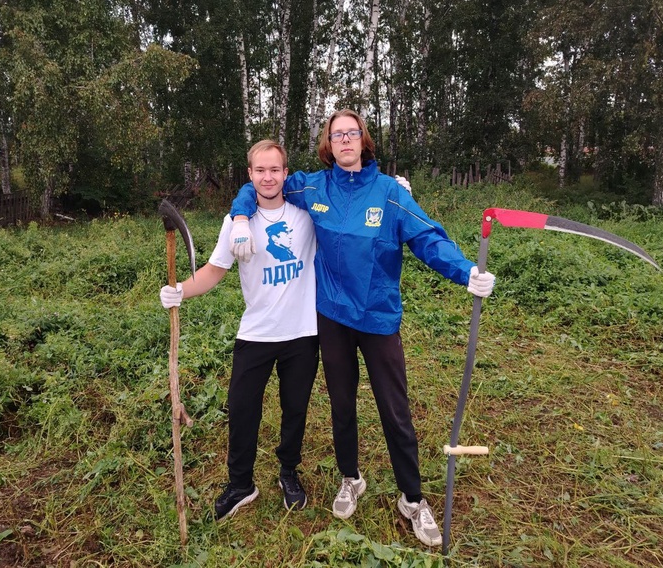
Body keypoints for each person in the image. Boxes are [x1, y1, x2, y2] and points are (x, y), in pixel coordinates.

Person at [227, 109, 495, 548]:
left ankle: (412, 498)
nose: (345, 141)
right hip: (331, 317)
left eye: (352, 133)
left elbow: (428, 238)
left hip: (377, 319)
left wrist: (464, 271)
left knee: (395, 410)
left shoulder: (389, 193)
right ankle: (350, 477)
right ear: (328, 144)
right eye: (337, 135)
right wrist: (240, 217)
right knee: (341, 405)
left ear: (363, 140)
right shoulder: (313, 186)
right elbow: (261, 183)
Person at [160, 140, 319, 521]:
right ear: (249, 175)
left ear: (285, 172)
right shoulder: (235, 223)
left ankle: (288, 472)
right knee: (243, 408)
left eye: (275, 170)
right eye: (260, 170)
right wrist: (180, 289)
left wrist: (385, 186)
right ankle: (241, 483)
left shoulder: (306, 213)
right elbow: (214, 271)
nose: (268, 177)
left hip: (302, 332)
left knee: (294, 408)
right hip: (257, 333)